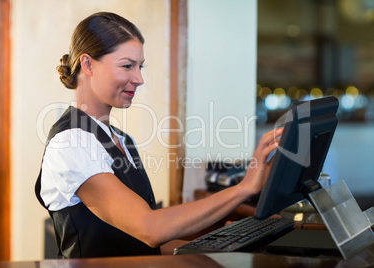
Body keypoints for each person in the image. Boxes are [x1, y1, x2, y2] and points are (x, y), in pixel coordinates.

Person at [35, 11, 283, 259]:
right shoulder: (71, 143)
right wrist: (243, 188)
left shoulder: (120, 140)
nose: (139, 78)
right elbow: (150, 228)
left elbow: (143, 244)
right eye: (127, 66)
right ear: (88, 64)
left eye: (139, 66)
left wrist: (215, 239)